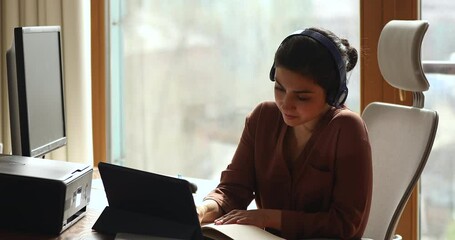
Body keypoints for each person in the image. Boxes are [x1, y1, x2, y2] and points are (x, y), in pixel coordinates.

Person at [196, 27, 372, 239]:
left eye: (302, 97)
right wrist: (204, 209)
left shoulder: (347, 128)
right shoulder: (263, 118)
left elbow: (343, 225)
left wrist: (268, 218)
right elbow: (233, 190)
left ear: (334, 94)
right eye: (280, 88)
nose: (286, 105)